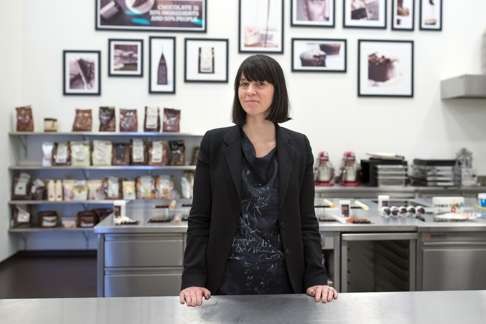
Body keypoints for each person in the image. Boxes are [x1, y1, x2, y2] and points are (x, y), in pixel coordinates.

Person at [179, 55, 338, 307]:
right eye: (244, 84)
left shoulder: (298, 145)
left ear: (277, 91)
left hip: (286, 284)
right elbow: (200, 218)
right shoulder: (215, 143)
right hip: (225, 283)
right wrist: (192, 278)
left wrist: (316, 276)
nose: (250, 91)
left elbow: (306, 220)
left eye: (260, 84)